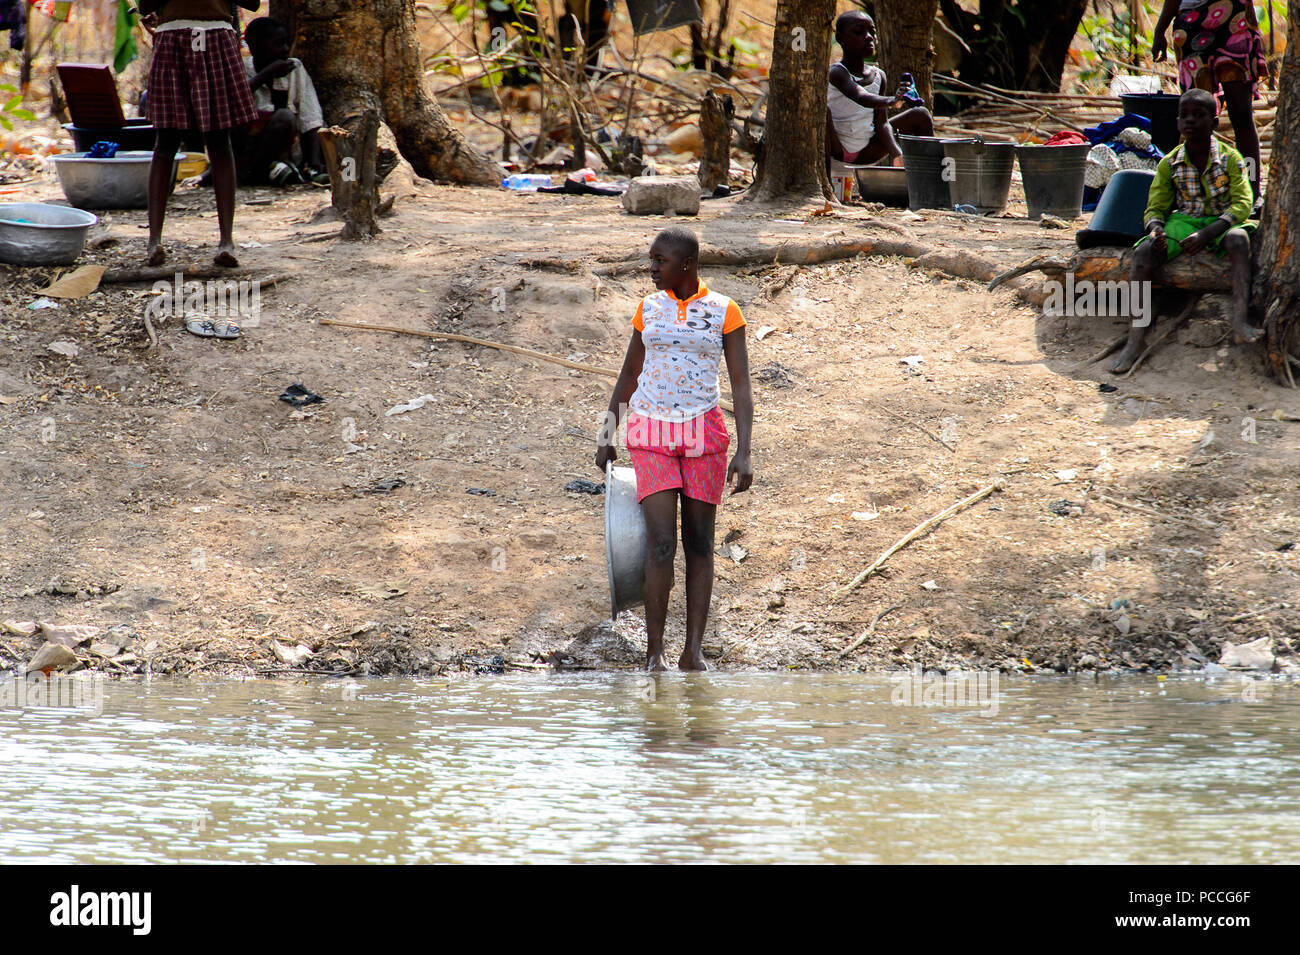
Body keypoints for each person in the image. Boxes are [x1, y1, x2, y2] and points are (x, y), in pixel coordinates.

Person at [595, 227, 754, 672]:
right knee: (661, 542)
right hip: (651, 433)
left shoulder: (725, 310)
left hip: (704, 433)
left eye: (659, 261)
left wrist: (745, 451)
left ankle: (693, 651)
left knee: (700, 544)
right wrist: (607, 434)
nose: (651, 268)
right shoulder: (648, 308)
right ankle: (654, 654)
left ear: (686, 264)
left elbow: (741, 385)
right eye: (651, 259)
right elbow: (629, 373)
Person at [1109, 89, 1259, 375]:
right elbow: (1155, 208)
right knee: (1142, 255)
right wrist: (1156, 231)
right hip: (1186, 222)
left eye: (1198, 115)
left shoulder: (1231, 159)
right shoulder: (1170, 163)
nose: (1190, 121)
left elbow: (1243, 203)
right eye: (1184, 116)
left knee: (1239, 240)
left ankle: (1240, 321)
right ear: (1177, 122)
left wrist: (1208, 233)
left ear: (1214, 123)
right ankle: (1135, 338)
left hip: (1224, 220)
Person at [139, 0, 261, 269]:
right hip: (173, 38)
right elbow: (145, 3)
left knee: (218, 141)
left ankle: (226, 241)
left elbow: (252, 3)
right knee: (167, 142)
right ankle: (154, 240)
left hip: (215, 38)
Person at [1152, 0, 1269, 210]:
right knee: (1195, 118)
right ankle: (1197, 194)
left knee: (1241, 113)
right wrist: (1160, 29)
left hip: (1234, 16)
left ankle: (1252, 189)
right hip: (1191, 21)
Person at [826, 9, 933, 167]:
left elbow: (882, 123)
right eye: (858, 32)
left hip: (867, 151)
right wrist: (892, 100)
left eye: (872, 32)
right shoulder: (836, 72)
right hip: (836, 149)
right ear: (840, 39)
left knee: (921, 114)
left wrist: (896, 153)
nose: (868, 37)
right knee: (824, 112)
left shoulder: (879, 75)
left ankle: (929, 180)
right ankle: (827, 184)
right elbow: (861, 98)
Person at [239, 16, 327, 186]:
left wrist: (315, 161)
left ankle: (274, 170)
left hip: (285, 151)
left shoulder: (294, 68)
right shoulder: (240, 69)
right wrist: (266, 75)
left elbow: (311, 116)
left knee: (285, 118)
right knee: (282, 117)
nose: (285, 49)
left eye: (286, 43)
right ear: (255, 47)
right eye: (278, 44)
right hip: (246, 150)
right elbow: (231, 104)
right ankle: (251, 171)